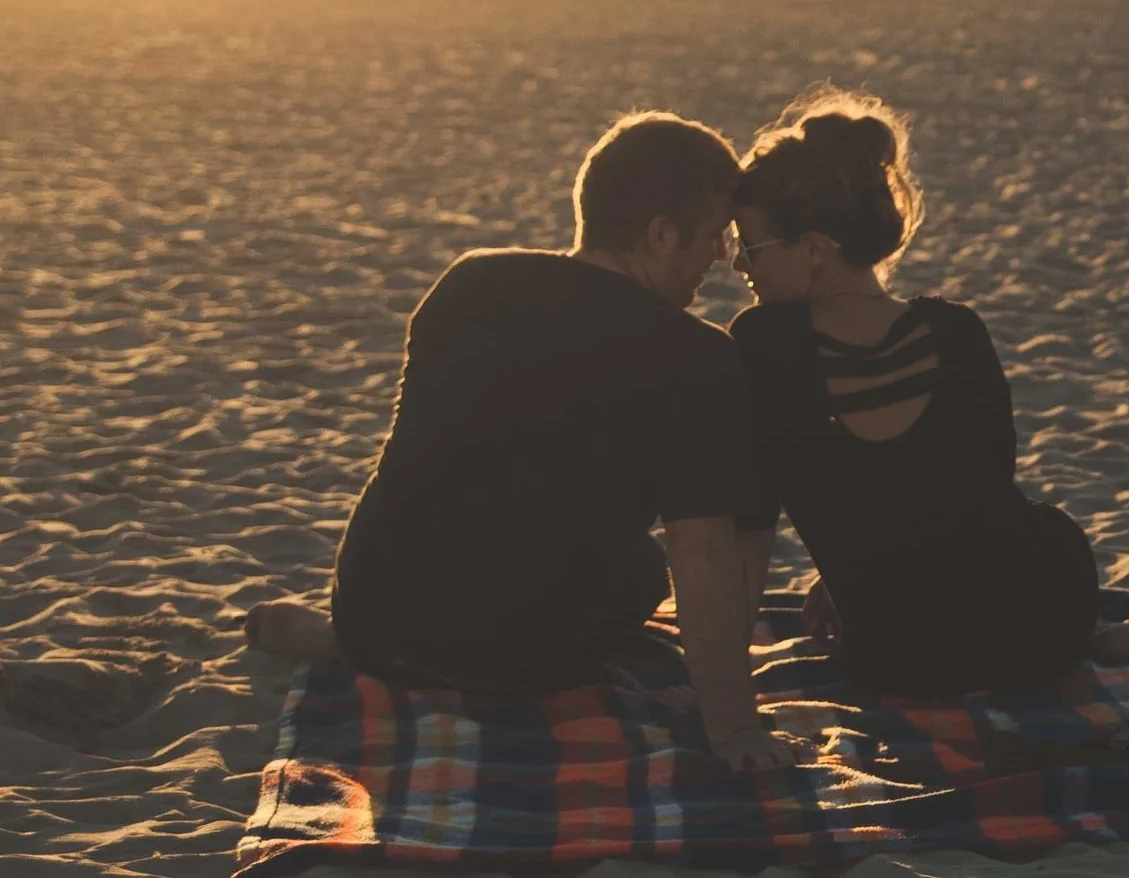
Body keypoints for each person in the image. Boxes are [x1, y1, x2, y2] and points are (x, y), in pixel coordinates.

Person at [247, 111, 796, 771]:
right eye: (712, 238)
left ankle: (339, 643)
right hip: (514, 657)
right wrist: (733, 729)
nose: (721, 259)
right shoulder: (696, 357)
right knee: (644, 571)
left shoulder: (469, 282)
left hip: (371, 613)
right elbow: (702, 556)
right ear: (659, 234)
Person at [729, 87, 1129, 696]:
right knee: (1040, 531)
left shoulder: (763, 345)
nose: (737, 267)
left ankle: (1101, 644)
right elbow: (973, 496)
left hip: (891, 652)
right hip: (1033, 625)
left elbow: (752, 525)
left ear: (812, 250)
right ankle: (1098, 642)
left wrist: (735, 669)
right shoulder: (954, 330)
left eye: (748, 247)